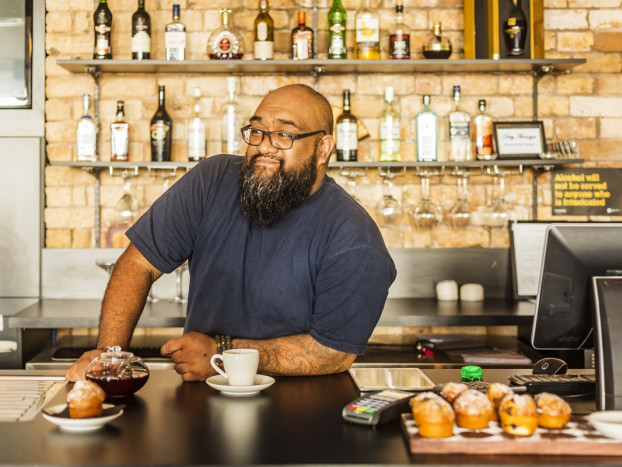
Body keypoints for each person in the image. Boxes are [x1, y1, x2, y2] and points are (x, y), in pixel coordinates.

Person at [66, 84, 396, 382]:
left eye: (284, 135)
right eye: (257, 130)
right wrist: (109, 354)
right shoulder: (212, 180)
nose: (265, 146)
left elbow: (333, 353)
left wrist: (223, 353)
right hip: (201, 399)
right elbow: (139, 264)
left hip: (301, 410)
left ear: (323, 149)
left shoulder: (353, 236)